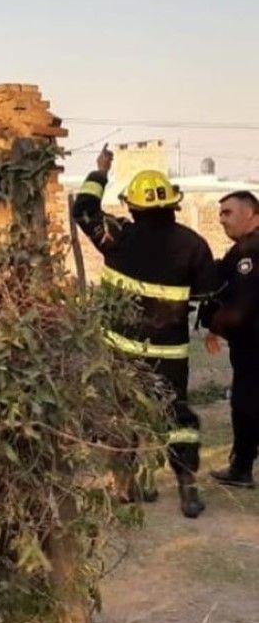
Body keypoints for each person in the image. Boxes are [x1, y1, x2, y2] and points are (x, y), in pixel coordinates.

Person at [72, 145, 218, 518]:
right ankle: (187, 488)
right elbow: (207, 296)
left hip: (120, 351)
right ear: (173, 205)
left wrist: (101, 170)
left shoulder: (119, 235)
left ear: (133, 207)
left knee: (121, 414)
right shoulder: (194, 245)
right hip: (168, 355)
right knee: (177, 418)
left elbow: (83, 210)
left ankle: (125, 485)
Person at [200, 190, 259, 488]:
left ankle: (241, 469)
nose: (221, 219)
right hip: (249, 347)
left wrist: (215, 327)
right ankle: (241, 466)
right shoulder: (241, 250)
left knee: (246, 405)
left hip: (254, 348)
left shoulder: (251, 252)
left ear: (250, 213)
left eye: (228, 213)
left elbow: (242, 306)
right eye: (220, 213)